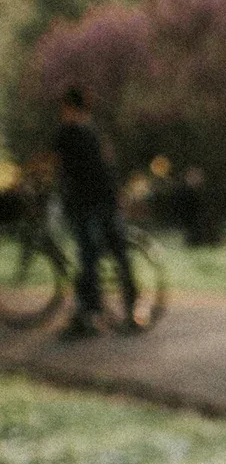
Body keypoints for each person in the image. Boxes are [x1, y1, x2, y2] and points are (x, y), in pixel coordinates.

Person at [53, 87, 140, 335]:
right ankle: (129, 312)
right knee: (118, 255)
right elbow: (107, 168)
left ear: (68, 107)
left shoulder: (68, 134)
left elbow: (59, 169)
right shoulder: (94, 133)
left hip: (87, 206)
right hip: (106, 202)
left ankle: (88, 316)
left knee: (89, 259)